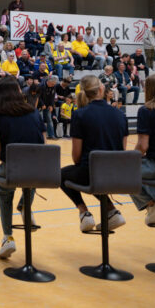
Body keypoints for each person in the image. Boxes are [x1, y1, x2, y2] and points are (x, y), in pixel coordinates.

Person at [0, 76, 46, 259]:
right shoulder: (34, 112)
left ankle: (8, 236)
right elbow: (43, 144)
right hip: (36, 169)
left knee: (4, 193)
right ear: (19, 92)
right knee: (32, 174)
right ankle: (25, 205)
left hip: (11, 167)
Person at [60, 75, 128, 232]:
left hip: (92, 172)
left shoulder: (80, 115)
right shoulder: (120, 115)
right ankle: (111, 211)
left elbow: (76, 157)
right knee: (97, 175)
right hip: (118, 174)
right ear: (102, 89)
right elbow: (122, 151)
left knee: (62, 175)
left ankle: (84, 212)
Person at [131, 74, 155, 225]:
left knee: (125, 172)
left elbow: (142, 146)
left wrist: (129, 160)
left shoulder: (146, 111)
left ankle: (152, 205)